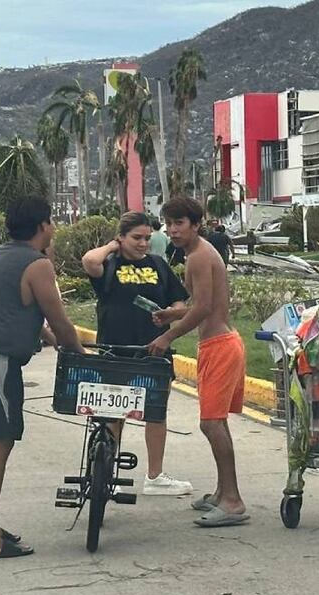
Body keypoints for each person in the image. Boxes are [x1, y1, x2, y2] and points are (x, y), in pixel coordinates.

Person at [0, 196, 84, 560]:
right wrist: (78, 351)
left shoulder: (0, 255)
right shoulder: (36, 264)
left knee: (1, 441)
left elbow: (17, 311)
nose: (55, 228)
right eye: (52, 222)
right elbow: (58, 319)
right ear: (43, 226)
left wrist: (50, 339)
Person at [147, 196, 248, 528]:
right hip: (217, 343)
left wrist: (168, 336)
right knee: (216, 422)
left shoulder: (199, 256)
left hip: (220, 345)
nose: (173, 230)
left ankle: (232, 501)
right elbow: (202, 302)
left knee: (211, 423)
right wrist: (171, 313)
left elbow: (204, 308)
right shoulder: (198, 253)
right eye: (169, 223)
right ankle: (222, 493)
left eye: (179, 223)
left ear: (195, 224)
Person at [81, 212, 194, 496]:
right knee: (112, 412)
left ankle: (155, 476)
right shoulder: (109, 264)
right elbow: (89, 261)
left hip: (153, 349)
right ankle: (103, 469)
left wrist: (172, 312)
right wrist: (112, 247)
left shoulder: (158, 265)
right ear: (121, 238)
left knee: (155, 411)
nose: (144, 243)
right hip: (115, 348)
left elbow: (179, 300)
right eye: (136, 238)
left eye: (147, 238)